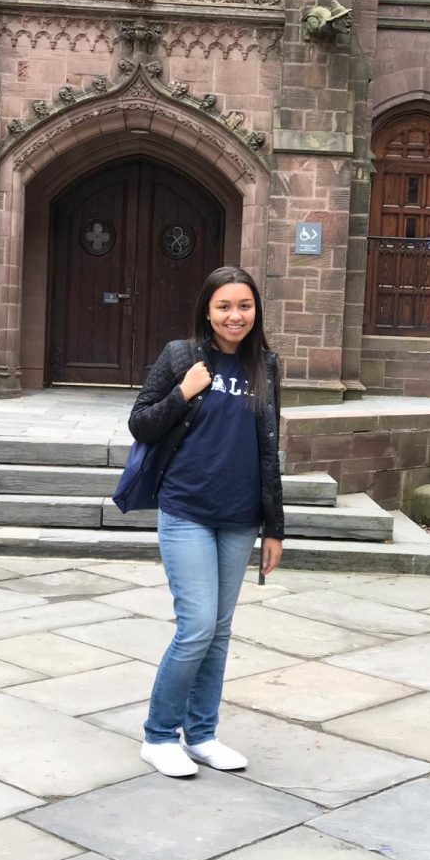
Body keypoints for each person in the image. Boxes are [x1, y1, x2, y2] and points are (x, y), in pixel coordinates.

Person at [129, 266, 283, 778]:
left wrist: (274, 527)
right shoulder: (182, 356)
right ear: (207, 310)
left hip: (239, 517)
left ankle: (201, 734)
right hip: (187, 510)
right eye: (224, 306)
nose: (234, 315)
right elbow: (141, 421)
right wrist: (184, 393)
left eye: (243, 305)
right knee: (195, 627)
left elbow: (268, 449)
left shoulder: (265, 364)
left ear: (255, 310)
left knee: (218, 630)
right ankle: (158, 735)